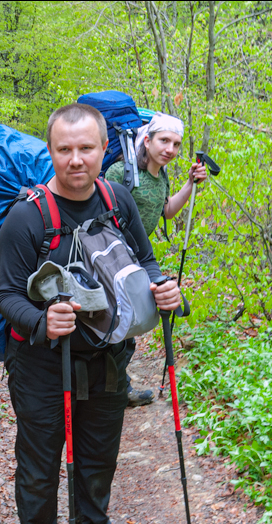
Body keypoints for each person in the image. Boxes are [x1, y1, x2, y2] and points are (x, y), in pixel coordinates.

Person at [0, 104, 183, 524]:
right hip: (42, 361)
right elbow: (8, 295)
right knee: (40, 459)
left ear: (104, 148)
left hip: (108, 356)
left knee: (100, 450)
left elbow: (144, 260)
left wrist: (162, 288)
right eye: (64, 149)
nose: (75, 159)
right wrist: (43, 321)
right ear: (51, 151)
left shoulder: (117, 199)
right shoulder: (26, 217)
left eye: (85, 148)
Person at [104, 113, 208, 407]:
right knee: (117, 323)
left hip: (138, 260)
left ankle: (118, 388)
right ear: (147, 141)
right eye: (164, 141)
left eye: (176, 144)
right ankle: (112, 391)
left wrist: (190, 184)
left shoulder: (161, 176)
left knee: (128, 325)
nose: (170, 149)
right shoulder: (120, 172)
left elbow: (168, 211)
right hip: (112, 261)